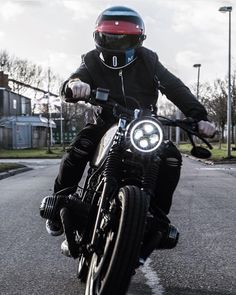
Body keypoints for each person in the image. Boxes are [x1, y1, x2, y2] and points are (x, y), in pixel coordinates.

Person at [44, 6, 215, 249]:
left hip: (143, 126)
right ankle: (59, 203)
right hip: (104, 123)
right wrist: (75, 85)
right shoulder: (91, 61)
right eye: (110, 37)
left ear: (138, 40)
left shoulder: (149, 60)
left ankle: (156, 214)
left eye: (125, 38)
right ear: (98, 37)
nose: (117, 43)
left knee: (171, 157)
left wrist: (199, 117)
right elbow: (75, 78)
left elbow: (175, 88)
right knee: (79, 147)